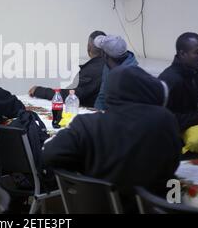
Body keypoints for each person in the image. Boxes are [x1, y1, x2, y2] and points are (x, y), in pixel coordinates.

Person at [43, 66, 182, 211]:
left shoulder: (87, 125)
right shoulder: (164, 120)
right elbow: (173, 162)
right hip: (153, 207)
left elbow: (49, 154)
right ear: (147, 90)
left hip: (100, 208)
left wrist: (84, 166)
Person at [29, 31, 106, 108]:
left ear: (88, 47)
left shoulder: (93, 70)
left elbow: (70, 95)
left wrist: (39, 91)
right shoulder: (110, 64)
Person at [93, 35, 138, 111]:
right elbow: (102, 96)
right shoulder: (108, 67)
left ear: (105, 55)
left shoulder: (131, 75)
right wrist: (95, 115)